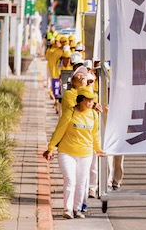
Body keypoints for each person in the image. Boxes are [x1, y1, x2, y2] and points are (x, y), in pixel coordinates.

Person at [43, 86, 105, 219]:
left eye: (92, 100)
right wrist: (51, 147)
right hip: (67, 152)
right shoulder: (70, 112)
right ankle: (67, 209)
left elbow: (95, 134)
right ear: (80, 100)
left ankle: (77, 209)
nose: (90, 103)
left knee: (82, 182)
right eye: (87, 100)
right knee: (70, 180)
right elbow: (59, 130)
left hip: (86, 154)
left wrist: (98, 149)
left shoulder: (93, 114)